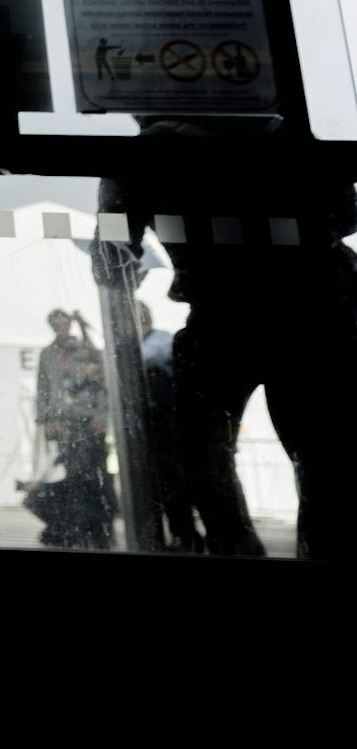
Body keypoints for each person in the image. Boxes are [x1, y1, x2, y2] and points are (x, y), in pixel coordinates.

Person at [95, 116, 356, 560]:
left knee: (201, 448)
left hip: (228, 313)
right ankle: (317, 549)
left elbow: (111, 254)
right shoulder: (289, 132)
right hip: (315, 309)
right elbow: (344, 217)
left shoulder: (147, 154)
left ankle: (235, 546)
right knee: (323, 458)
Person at [34, 309, 111, 549]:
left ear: (70, 324)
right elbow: (43, 388)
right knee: (73, 474)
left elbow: (102, 385)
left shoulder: (85, 350)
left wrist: (101, 416)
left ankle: (99, 528)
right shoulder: (47, 354)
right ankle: (77, 525)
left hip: (88, 421)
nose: (60, 327)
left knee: (94, 475)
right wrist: (45, 420)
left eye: (63, 322)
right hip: (63, 423)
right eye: (54, 323)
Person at [138, 303, 201, 553]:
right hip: (161, 432)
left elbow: (150, 357)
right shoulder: (153, 343)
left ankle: (185, 537)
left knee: (174, 487)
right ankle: (182, 535)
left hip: (169, 431)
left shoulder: (159, 342)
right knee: (166, 488)